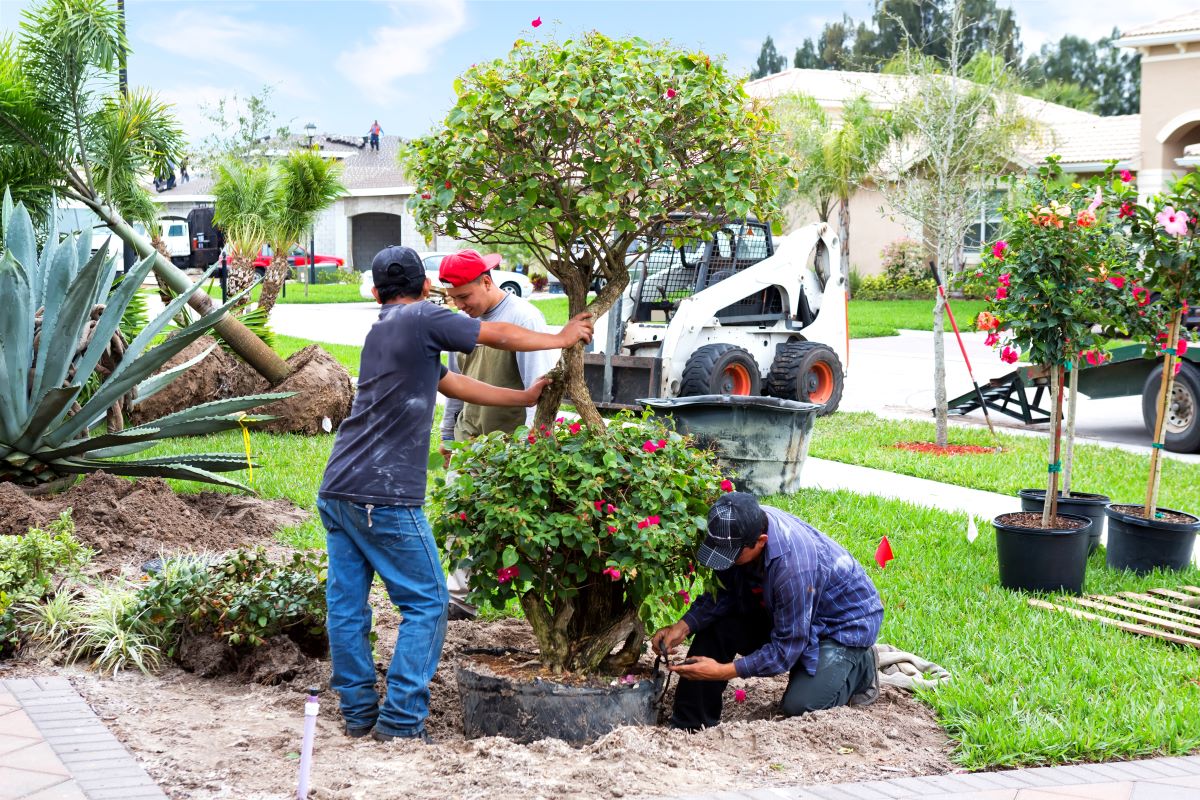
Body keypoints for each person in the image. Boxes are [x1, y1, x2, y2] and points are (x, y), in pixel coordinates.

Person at [317, 245, 593, 744]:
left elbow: (452, 383)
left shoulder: (382, 329)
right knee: (428, 602)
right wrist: (560, 335)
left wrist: (523, 398)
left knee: (348, 606)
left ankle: (358, 713)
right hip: (384, 494)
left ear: (378, 292)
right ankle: (401, 723)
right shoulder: (422, 317)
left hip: (338, 488)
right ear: (427, 289)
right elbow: (500, 333)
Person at [650, 492, 884, 731]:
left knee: (800, 706)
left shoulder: (792, 569)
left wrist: (721, 672)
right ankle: (691, 724)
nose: (724, 562)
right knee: (716, 626)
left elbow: (786, 649)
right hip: (790, 611)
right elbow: (724, 593)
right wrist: (682, 626)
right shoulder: (736, 531)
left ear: (761, 541)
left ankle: (861, 666)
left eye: (731, 556)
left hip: (841, 624)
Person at [436, 250, 558, 620]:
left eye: (464, 297)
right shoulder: (461, 324)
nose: (460, 305)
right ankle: (458, 602)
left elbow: (541, 392)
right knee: (460, 519)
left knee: (520, 531)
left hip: (511, 447)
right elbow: (456, 385)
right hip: (469, 440)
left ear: (486, 282)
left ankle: (544, 600)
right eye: (452, 299)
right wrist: (447, 435)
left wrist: (533, 449)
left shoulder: (524, 318)